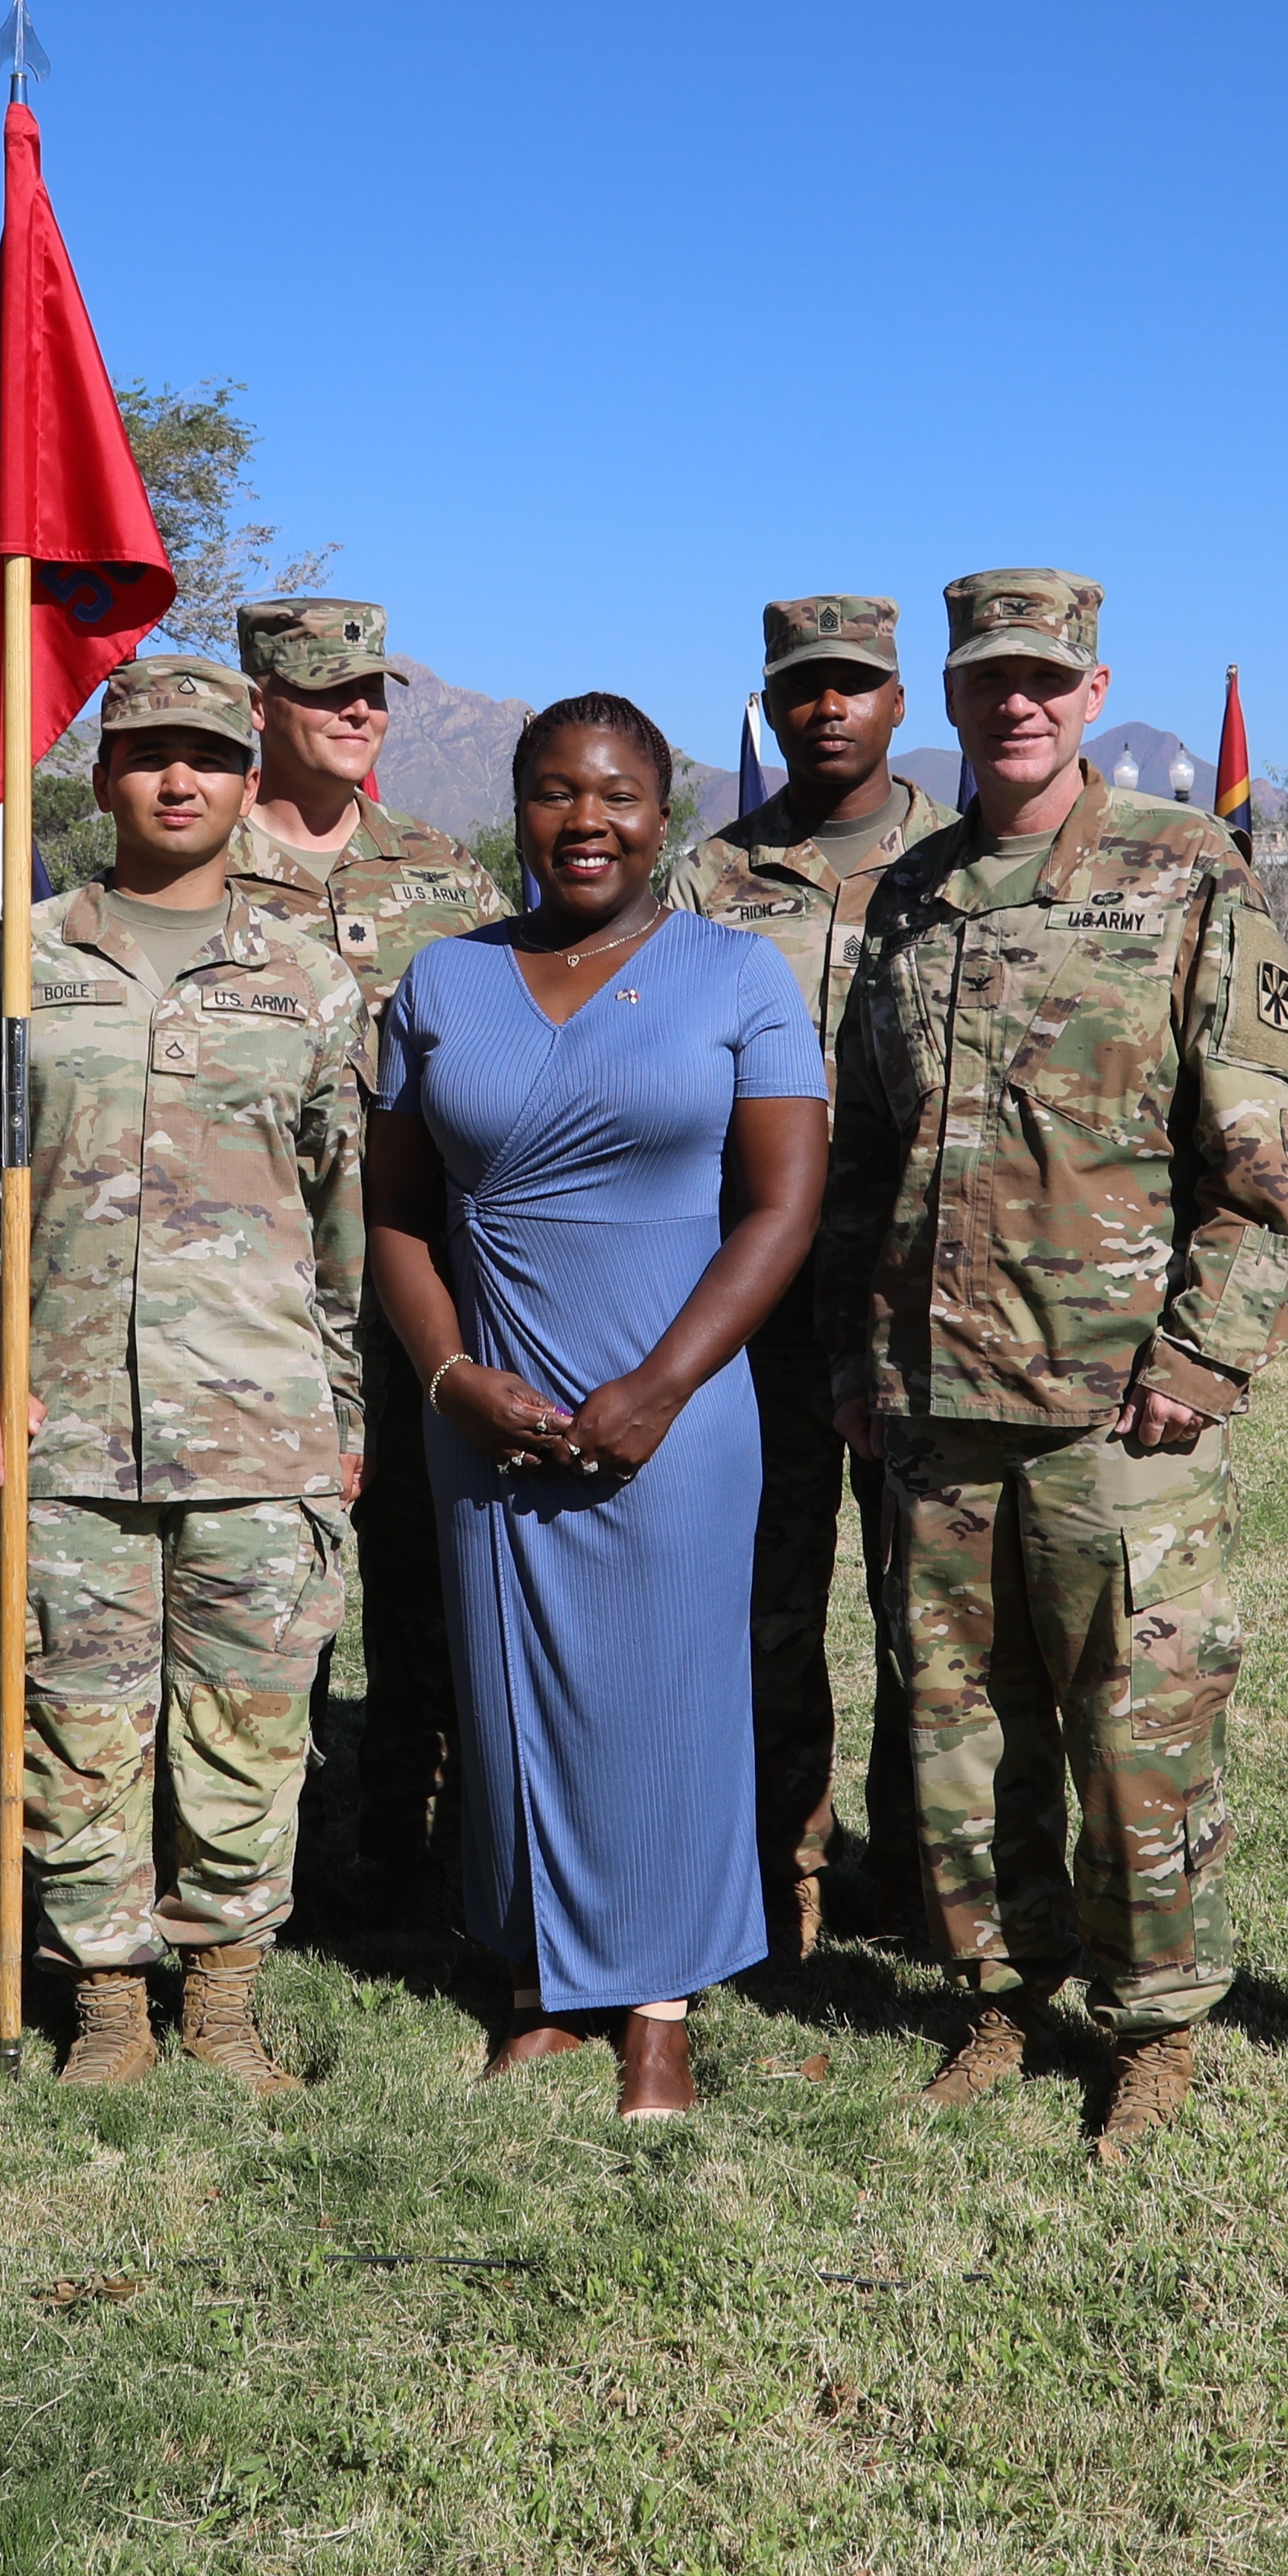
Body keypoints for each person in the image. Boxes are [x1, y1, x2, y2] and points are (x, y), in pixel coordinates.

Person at [818, 568, 1288, 2166]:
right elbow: (866, 1154)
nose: (1019, 701)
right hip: (937, 1398)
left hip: (1122, 1402)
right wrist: (858, 1347)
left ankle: (1155, 2021)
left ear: (1094, 692)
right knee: (959, 1732)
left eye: (1048, 676)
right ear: (950, 702)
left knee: (1141, 1728)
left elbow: (1269, 1159)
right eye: (990, 678)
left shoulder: (1187, 873)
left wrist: (1207, 1354)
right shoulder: (909, 896)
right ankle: (995, 1998)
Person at [366, 694, 825, 2122]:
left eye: (619, 795)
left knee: (675, 1694)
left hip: (673, 1404)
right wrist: (449, 1380)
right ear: (519, 811)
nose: (588, 822)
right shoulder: (439, 983)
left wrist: (661, 1386)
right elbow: (391, 1221)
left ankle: (661, 2009)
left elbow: (783, 1205)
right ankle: (539, 1985)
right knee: (509, 1695)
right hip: (489, 1401)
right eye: (557, 794)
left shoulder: (739, 978)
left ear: (663, 813)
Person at [0, 656, 366, 2090]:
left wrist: (344, 1412)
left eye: (208, 757)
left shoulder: (307, 979)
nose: (178, 781)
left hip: (261, 1425)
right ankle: (106, 2001)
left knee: (250, 1721)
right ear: (100, 778)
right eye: (147, 755)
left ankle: (223, 1996)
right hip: (71, 1428)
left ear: (250, 781)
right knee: (76, 1721)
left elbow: (345, 1210)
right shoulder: (17, 958)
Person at [660, 592, 953, 1958]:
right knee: (763, 1598)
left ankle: (921, 1868)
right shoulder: (707, 883)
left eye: (854, 685)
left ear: (902, 703)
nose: (826, 707)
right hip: (759, 1298)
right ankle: (783, 1868)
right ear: (771, 707)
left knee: (927, 1606)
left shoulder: (961, 869)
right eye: (800, 688)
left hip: (926, 1297)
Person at [223, 595, 511, 1910]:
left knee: (427, 1569)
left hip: (425, 1280)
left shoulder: (450, 883)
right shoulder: (198, 868)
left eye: (373, 691)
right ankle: (256, 1852)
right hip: (251, 1294)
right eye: (327, 690)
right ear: (260, 705)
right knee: (267, 1579)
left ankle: (412, 1847)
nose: (359, 712)